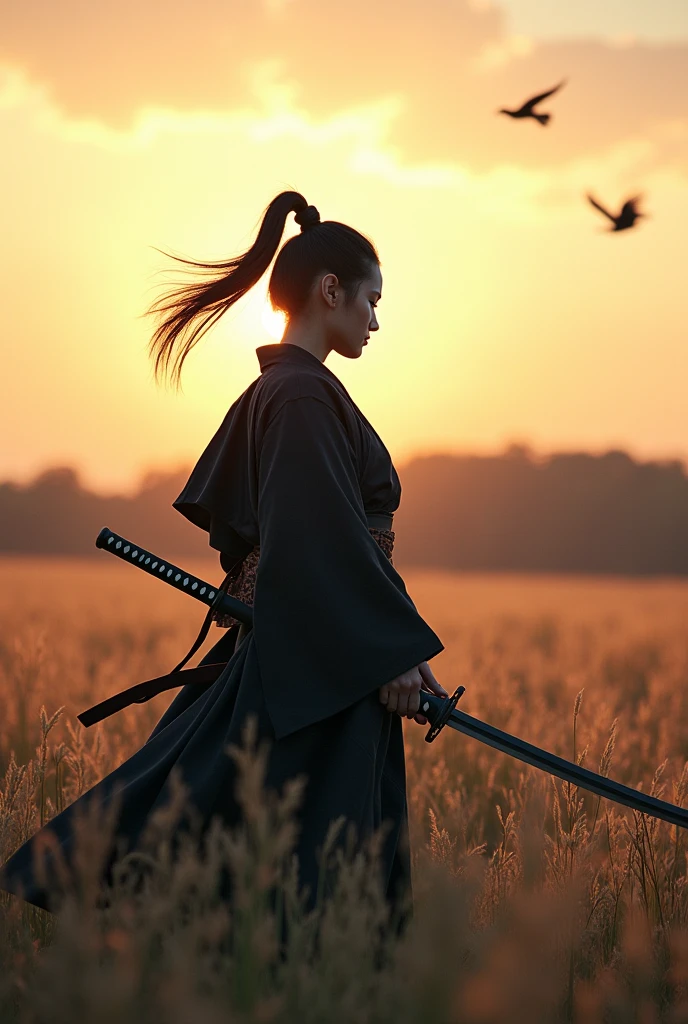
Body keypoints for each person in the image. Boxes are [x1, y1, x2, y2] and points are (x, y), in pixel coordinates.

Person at [1, 190, 445, 920]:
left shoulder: (293, 391)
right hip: (322, 669)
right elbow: (316, 537)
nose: (375, 319)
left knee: (268, 856)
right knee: (299, 877)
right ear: (330, 290)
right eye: (371, 299)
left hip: (325, 657)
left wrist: (399, 645)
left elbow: (323, 540)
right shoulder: (300, 396)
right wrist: (386, 651)